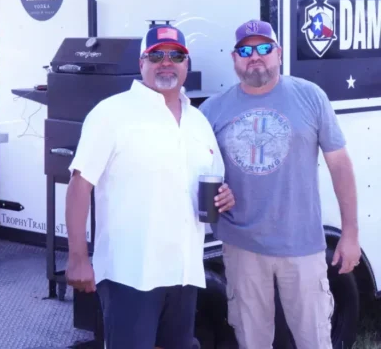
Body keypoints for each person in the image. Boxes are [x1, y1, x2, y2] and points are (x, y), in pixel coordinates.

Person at [64, 24, 235, 349]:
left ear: (187, 64)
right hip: (130, 273)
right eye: (156, 55)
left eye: (176, 56)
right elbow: (79, 186)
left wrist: (224, 196)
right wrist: (77, 257)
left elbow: (212, 182)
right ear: (141, 63)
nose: (166, 62)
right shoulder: (112, 113)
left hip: (184, 272)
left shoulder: (198, 121)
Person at [197, 19, 360, 349]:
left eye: (263, 48)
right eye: (245, 51)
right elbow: (200, 170)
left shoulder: (310, 97)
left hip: (303, 247)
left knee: (314, 339)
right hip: (241, 248)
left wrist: (350, 233)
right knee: (251, 341)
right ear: (234, 58)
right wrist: (220, 192)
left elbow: (340, 165)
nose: (255, 56)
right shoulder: (212, 110)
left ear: (279, 53)